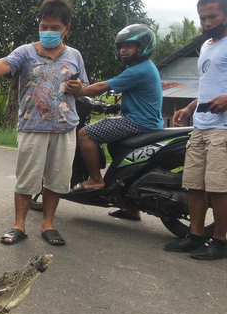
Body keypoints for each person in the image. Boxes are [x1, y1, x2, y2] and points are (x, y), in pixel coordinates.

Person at [0, 0, 87, 246]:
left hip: (65, 129)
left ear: (67, 29)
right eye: (44, 26)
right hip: (33, 127)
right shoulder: (26, 51)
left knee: (56, 180)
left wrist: (79, 87)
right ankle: (18, 225)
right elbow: (6, 63)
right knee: (26, 180)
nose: (48, 32)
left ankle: (48, 225)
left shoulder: (74, 55)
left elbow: (82, 86)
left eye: (55, 28)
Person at [65, 24, 163, 220]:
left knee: (86, 133)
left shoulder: (139, 70)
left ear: (143, 46)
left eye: (129, 46)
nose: (123, 50)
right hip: (148, 121)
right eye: (120, 47)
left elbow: (102, 86)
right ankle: (131, 206)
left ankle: (95, 180)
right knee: (118, 150)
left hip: (138, 122)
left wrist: (80, 90)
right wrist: (112, 108)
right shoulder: (145, 68)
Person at [165, 0, 227, 260]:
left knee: (219, 186)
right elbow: (206, 86)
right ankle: (196, 235)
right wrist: (189, 109)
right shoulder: (206, 46)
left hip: (223, 129)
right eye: (202, 18)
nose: (206, 23)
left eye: (211, 16)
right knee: (193, 184)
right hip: (201, 125)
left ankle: (221, 242)